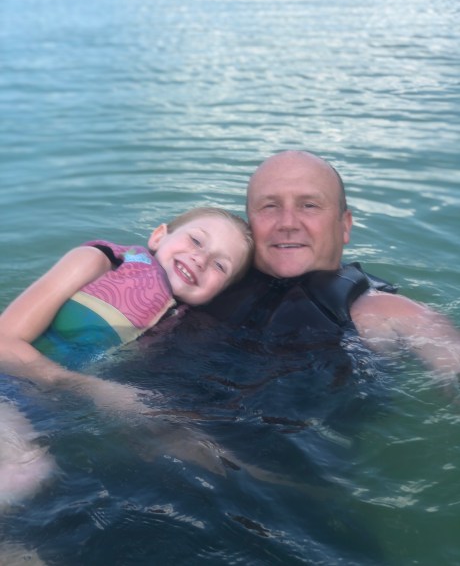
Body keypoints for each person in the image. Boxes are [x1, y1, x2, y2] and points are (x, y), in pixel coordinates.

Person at [0, 206, 253, 507]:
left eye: (220, 266)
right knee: (26, 471)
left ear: (220, 292)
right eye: (196, 240)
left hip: (43, 411)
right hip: (7, 385)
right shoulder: (98, 261)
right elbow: (4, 340)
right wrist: (85, 386)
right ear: (158, 236)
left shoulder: (179, 330)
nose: (201, 258)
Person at [198, 150, 460, 373]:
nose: (287, 223)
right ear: (248, 224)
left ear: (345, 225)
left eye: (309, 205)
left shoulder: (391, 314)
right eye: (269, 206)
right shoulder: (203, 279)